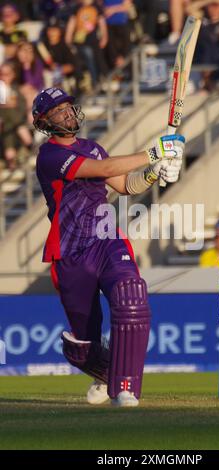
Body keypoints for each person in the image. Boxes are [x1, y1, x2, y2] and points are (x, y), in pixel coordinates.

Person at [32, 86, 185, 407]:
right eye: (58, 111)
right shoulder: (50, 156)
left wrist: (154, 173)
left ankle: (125, 388)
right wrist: (156, 152)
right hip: (71, 251)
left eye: (69, 107)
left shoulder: (94, 147)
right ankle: (105, 374)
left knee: (131, 295)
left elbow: (125, 184)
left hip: (106, 238)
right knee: (82, 348)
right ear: (43, 122)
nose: (67, 113)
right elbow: (102, 170)